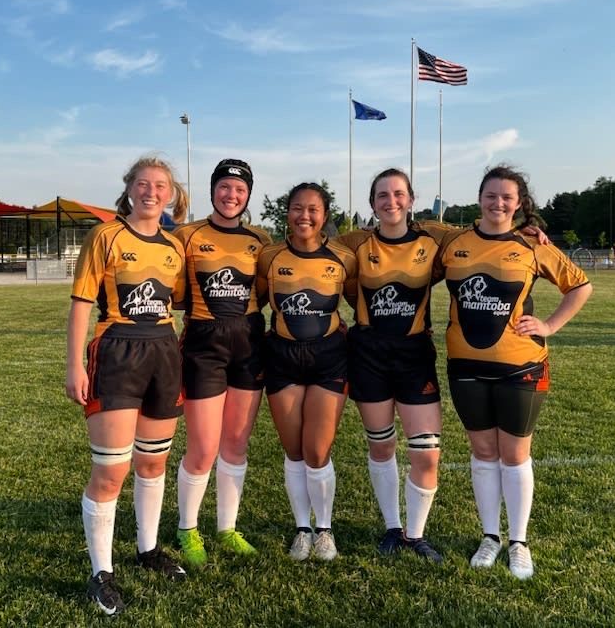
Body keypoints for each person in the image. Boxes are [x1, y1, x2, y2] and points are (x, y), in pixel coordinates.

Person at [440, 164, 591, 580]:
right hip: (465, 365)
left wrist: (548, 326)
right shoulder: (454, 243)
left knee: (515, 454)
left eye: (507, 197)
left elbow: (580, 286)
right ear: (479, 198)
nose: (498, 203)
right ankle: (490, 536)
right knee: (483, 453)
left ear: (519, 203)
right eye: (491, 195)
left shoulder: (532, 246)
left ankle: (518, 541)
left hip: (521, 365)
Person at [65, 156, 190, 616]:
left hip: (163, 351)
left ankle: (148, 549)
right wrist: (75, 364)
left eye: (160, 185)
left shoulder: (175, 246)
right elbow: (81, 303)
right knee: (111, 471)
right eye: (143, 183)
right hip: (116, 350)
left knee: (153, 465)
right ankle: (101, 571)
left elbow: (181, 303)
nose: (151, 191)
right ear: (129, 189)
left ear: (171, 194)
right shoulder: (106, 236)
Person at [337, 169, 445, 562]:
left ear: (411, 199)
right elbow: (317, 251)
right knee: (381, 446)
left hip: (414, 353)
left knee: (426, 452)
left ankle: (416, 535)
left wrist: (529, 231)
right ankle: (392, 528)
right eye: (382, 195)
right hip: (368, 353)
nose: (391, 201)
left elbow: (482, 237)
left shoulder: (434, 239)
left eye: (399, 194)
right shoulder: (354, 242)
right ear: (372, 203)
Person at [171, 159, 272, 568]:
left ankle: (227, 528)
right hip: (203, 345)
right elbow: (175, 293)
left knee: (235, 443)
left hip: (248, 342)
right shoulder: (187, 235)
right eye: (225, 187)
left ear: (248, 195)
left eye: (240, 189)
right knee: (204, 446)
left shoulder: (259, 239)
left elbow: (265, 291)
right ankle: (187, 528)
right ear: (213, 189)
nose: (232, 195)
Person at [255, 182, 357, 562]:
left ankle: (325, 528)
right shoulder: (270, 257)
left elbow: (358, 301)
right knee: (294, 450)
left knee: (317, 449)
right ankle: (302, 527)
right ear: (288, 213)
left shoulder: (344, 258)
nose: (304, 216)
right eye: (297, 208)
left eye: (313, 209)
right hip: (281, 356)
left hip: (329, 356)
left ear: (324, 215)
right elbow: (259, 301)